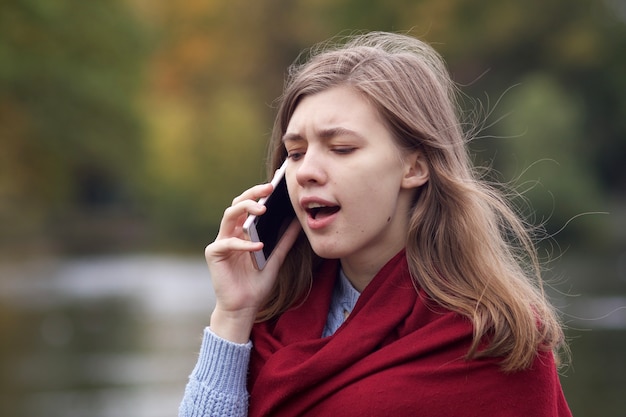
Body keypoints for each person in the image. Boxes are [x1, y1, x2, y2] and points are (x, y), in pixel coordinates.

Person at [178, 31, 572, 417]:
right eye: (295, 153)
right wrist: (233, 315)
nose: (306, 172)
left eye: (341, 148)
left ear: (414, 167)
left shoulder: (494, 338)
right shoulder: (271, 327)